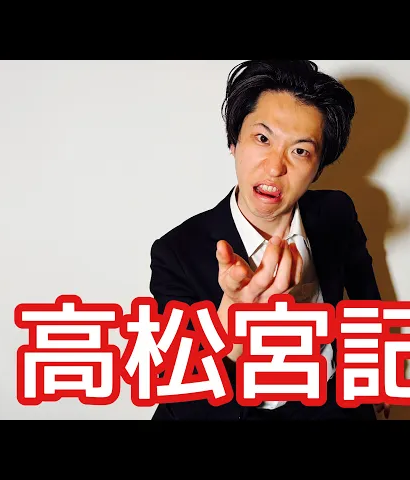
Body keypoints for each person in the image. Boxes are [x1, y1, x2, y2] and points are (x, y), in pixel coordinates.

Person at [149, 60, 388, 420]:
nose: (275, 167)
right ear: (234, 141)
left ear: (318, 168)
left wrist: (373, 368)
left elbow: (364, 291)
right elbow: (184, 397)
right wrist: (231, 333)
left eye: (300, 151)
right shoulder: (177, 251)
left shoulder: (336, 212)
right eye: (262, 139)